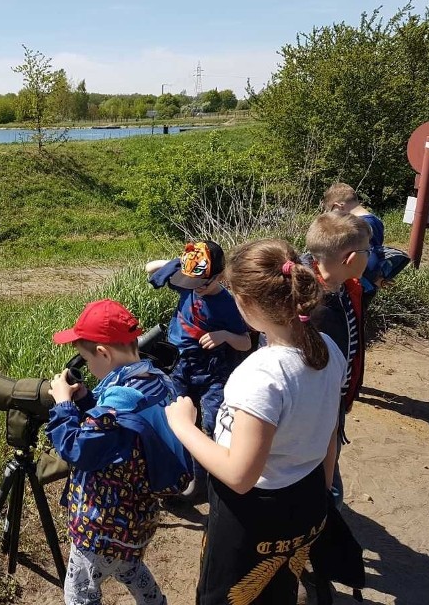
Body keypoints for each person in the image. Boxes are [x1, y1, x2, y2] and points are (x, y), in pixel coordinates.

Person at [165, 239, 346, 605]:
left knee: (229, 596)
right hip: (307, 496)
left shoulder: (261, 374)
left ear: (245, 305)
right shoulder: (327, 346)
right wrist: (323, 489)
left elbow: (239, 475)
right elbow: (330, 429)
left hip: (254, 516)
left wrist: (183, 425)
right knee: (280, 586)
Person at [46, 298, 191, 605]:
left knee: (79, 594)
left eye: (85, 358)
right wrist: (86, 401)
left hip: (101, 526)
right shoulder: (158, 380)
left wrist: (63, 405)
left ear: (102, 353)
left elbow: (76, 447)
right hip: (138, 516)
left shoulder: (119, 402)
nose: (86, 366)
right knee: (128, 565)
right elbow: (120, 431)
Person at [146, 241, 252, 498]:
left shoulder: (226, 304)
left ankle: (212, 479)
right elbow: (149, 268)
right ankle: (185, 474)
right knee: (177, 418)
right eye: (192, 281)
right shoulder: (189, 281)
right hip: (179, 364)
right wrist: (180, 265)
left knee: (211, 421)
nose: (197, 289)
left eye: (203, 283)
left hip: (211, 370)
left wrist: (224, 335)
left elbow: (247, 342)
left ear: (221, 275)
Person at [303, 210, 371, 509]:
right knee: (316, 468)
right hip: (315, 405)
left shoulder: (346, 288)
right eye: (368, 251)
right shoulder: (309, 304)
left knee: (324, 462)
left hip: (335, 398)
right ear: (351, 258)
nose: (372, 256)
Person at [322, 182, 386, 310]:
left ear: (338, 206)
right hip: (369, 283)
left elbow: (370, 259)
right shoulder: (375, 220)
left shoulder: (358, 226)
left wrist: (373, 278)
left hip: (360, 284)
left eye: (332, 212)